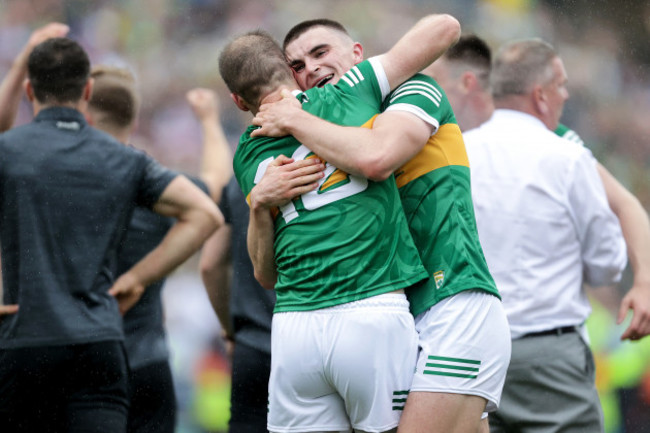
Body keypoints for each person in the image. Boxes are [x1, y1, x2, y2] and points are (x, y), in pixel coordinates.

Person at [250, 19, 511, 433]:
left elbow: (377, 157)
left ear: (358, 56)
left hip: (452, 302)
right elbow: (268, 273)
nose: (310, 69)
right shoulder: (320, 137)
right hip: (398, 313)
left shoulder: (414, 90)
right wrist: (259, 204)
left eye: (321, 53)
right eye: (297, 66)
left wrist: (295, 120)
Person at [0, 37, 222, 432]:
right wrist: (137, 279)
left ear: (30, 91)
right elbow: (205, 212)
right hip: (100, 344)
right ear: (85, 91)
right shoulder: (124, 160)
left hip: (25, 342)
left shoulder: (9, 152)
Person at [424, 34, 650, 342]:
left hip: (533, 330)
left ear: (466, 83)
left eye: (432, 81)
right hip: (465, 328)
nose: (422, 94)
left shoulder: (549, 137)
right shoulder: (437, 141)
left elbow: (626, 204)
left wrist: (645, 282)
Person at [461, 38, 627, 433]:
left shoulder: (459, 153)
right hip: (549, 359)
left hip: (469, 351)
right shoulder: (568, 158)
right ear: (540, 94)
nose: (566, 94)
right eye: (562, 85)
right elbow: (607, 263)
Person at [84, 66, 231, 433]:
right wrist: (210, 120)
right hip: (146, 362)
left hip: (80, 364)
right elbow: (216, 185)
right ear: (133, 122)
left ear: (83, 115)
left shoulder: (57, 181)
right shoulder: (157, 186)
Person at [200, 176, 275, 433]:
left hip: (251, 345)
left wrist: (230, 331)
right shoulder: (326, 170)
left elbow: (210, 265)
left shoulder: (239, 180)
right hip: (309, 341)